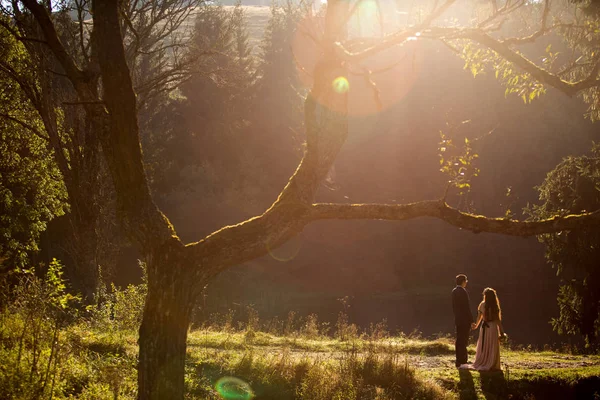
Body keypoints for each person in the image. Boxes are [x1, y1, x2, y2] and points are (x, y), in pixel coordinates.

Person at [462, 287, 507, 371]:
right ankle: (492, 362)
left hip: (485, 327)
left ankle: (483, 360)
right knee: (492, 344)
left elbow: (479, 317)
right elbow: (498, 320)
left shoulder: (482, 304)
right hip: (493, 327)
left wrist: (476, 326)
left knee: (484, 344)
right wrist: (501, 332)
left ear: (485, 295)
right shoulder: (495, 305)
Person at [452, 274, 475, 368]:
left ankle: (458, 360)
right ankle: (463, 361)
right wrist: (471, 320)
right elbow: (467, 307)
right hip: (465, 320)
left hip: (458, 319)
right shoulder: (463, 291)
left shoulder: (454, 291)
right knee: (464, 340)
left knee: (459, 340)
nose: (466, 283)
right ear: (463, 281)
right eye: (466, 281)